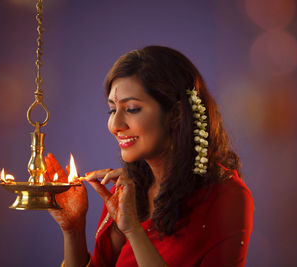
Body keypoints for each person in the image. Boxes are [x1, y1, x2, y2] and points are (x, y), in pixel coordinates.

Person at [44, 45, 254, 267]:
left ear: (175, 114)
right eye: (112, 110)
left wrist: (133, 229)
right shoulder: (127, 192)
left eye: (132, 108)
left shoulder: (226, 197)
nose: (115, 125)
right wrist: (73, 229)